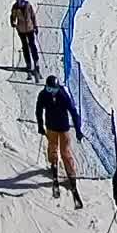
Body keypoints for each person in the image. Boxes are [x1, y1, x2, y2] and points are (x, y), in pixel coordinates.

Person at [35, 75, 83, 203]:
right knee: (52, 147)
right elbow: (38, 110)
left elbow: (73, 111)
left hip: (63, 128)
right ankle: (54, 163)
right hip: (51, 127)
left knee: (65, 151)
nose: (52, 92)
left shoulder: (63, 95)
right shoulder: (43, 95)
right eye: (49, 89)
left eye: (54, 89)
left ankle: (71, 174)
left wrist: (78, 129)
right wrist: (40, 125)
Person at [10, 0, 40, 75]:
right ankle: (28, 63)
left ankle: (36, 62)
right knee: (25, 47)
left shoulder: (28, 5)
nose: (20, 3)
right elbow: (13, 16)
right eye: (18, 1)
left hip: (30, 29)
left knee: (32, 45)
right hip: (21, 30)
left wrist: (35, 26)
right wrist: (12, 22)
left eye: (21, 1)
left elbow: (33, 16)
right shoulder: (15, 7)